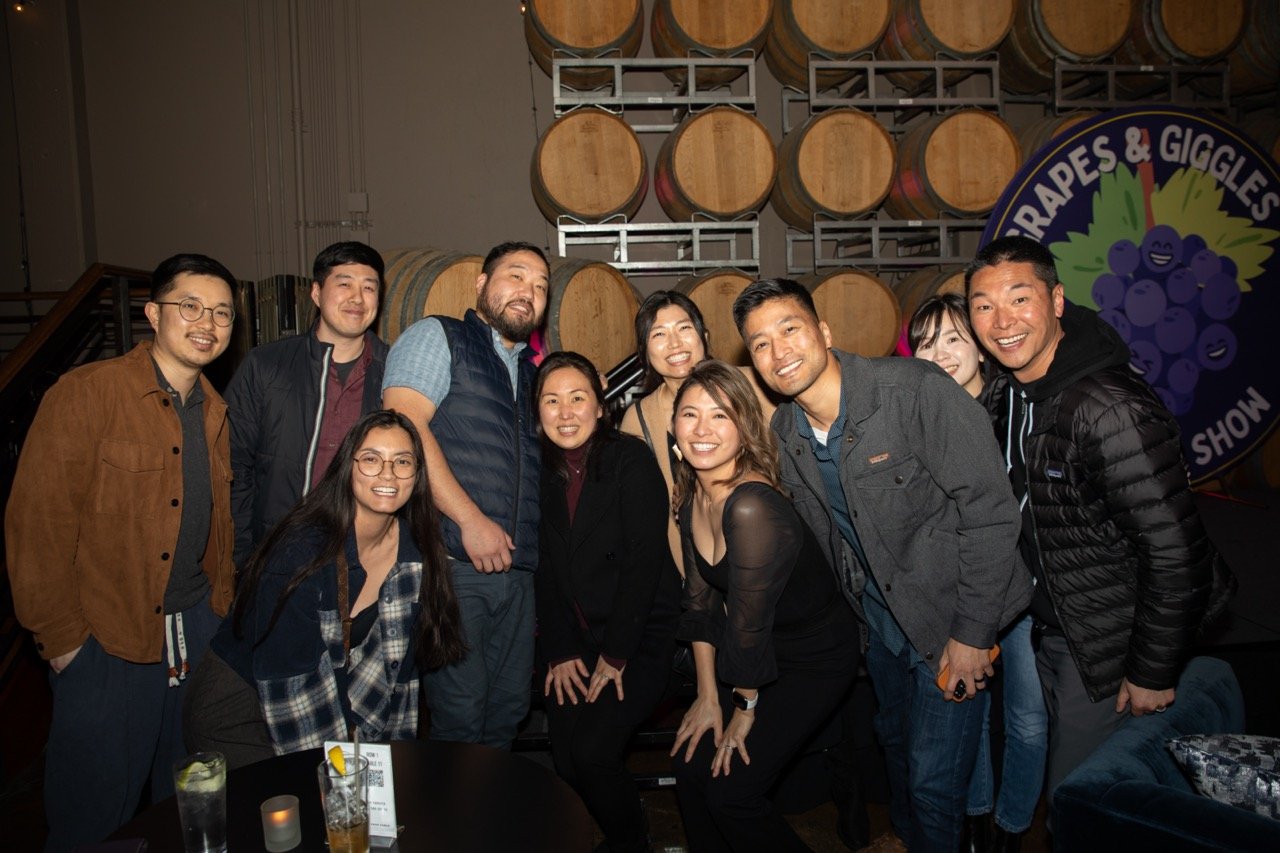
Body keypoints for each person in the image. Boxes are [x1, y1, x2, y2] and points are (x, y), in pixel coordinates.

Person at [732, 279, 1030, 852]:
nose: (780, 351)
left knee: (935, 783)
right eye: (761, 343)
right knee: (895, 751)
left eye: (790, 329)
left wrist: (972, 636)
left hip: (953, 621)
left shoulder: (914, 390)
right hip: (882, 629)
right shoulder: (786, 433)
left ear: (823, 332)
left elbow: (991, 513)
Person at [966, 235, 1215, 796]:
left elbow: (1175, 552)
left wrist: (1152, 669)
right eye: (983, 305)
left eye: (1019, 298)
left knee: (1080, 803)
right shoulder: (1010, 393)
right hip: (1056, 629)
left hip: (1110, 643)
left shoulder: (1109, 407)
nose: (1001, 320)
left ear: (1056, 302)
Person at [5, 253, 238, 852]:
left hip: (197, 633)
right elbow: (37, 526)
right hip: (108, 642)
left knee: (184, 807)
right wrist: (65, 646)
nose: (206, 322)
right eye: (190, 306)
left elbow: (219, 525)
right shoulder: (88, 393)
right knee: (94, 817)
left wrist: (221, 609)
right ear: (153, 314)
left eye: (221, 312)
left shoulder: (214, 409)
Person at [182, 409, 464, 766]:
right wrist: (343, 779)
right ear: (347, 467)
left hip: (329, 699)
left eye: (403, 461)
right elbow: (294, 689)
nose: (388, 474)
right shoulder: (301, 553)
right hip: (240, 711)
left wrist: (391, 770)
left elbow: (401, 680)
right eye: (372, 459)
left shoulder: (414, 554)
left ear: (418, 474)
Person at [669, 361, 859, 852]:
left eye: (720, 416)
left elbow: (747, 623)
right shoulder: (692, 492)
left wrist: (743, 707)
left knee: (732, 792)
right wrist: (708, 695)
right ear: (674, 426)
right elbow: (700, 603)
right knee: (689, 764)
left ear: (744, 428)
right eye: (690, 415)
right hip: (759, 652)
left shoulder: (752, 505)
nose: (702, 430)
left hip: (816, 656)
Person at [381, 240, 549, 748]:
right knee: (460, 715)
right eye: (517, 276)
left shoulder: (532, 372)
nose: (529, 292)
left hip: (517, 574)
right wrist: (471, 521)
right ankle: (457, 825)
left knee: (508, 712)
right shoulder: (439, 336)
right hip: (455, 564)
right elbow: (404, 427)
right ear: (481, 284)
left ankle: (491, 824)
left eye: (541, 286)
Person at [908, 294, 1047, 853]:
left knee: (1027, 717)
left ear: (981, 350)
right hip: (956, 593)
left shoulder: (1013, 408)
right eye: (925, 342)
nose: (939, 353)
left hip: (1017, 590)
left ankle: (1013, 828)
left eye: (953, 339)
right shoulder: (917, 414)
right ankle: (976, 822)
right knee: (969, 710)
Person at [536, 351, 681, 853]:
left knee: (593, 753)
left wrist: (616, 655)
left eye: (578, 398)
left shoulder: (629, 459)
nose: (566, 412)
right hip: (575, 639)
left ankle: (630, 840)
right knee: (567, 759)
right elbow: (545, 572)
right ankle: (622, 815)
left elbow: (644, 564)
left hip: (637, 636)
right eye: (551, 401)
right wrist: (559, 648)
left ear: (601, 406)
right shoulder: (540, 470)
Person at [226, 241, 389, 569]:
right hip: (277, 552)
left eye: (369, 287)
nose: (357, 298)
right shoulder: (266, 365)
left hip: (361, 556)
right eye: (344, 284)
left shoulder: (396, 372)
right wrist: (244, 555)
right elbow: (232, 465)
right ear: (316, 293)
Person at [620, 291, 776, 579]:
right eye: (659, 334)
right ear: (644, 351)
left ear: (703, 335)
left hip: (768, 552)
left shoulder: (754, 386)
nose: (675, 343)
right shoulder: (638, 418)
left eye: (684, 328)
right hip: (696, 566)